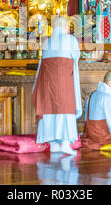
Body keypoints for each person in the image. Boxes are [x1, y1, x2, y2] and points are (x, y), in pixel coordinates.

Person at [31, 16, 82, 155]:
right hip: (63, 81)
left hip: (47, 83)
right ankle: (65, 143)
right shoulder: (70, 39)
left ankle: (53, 144)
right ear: (65, 27)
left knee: (49, 109)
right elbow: (76, 56)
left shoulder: (47, 41)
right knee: (65, 109)